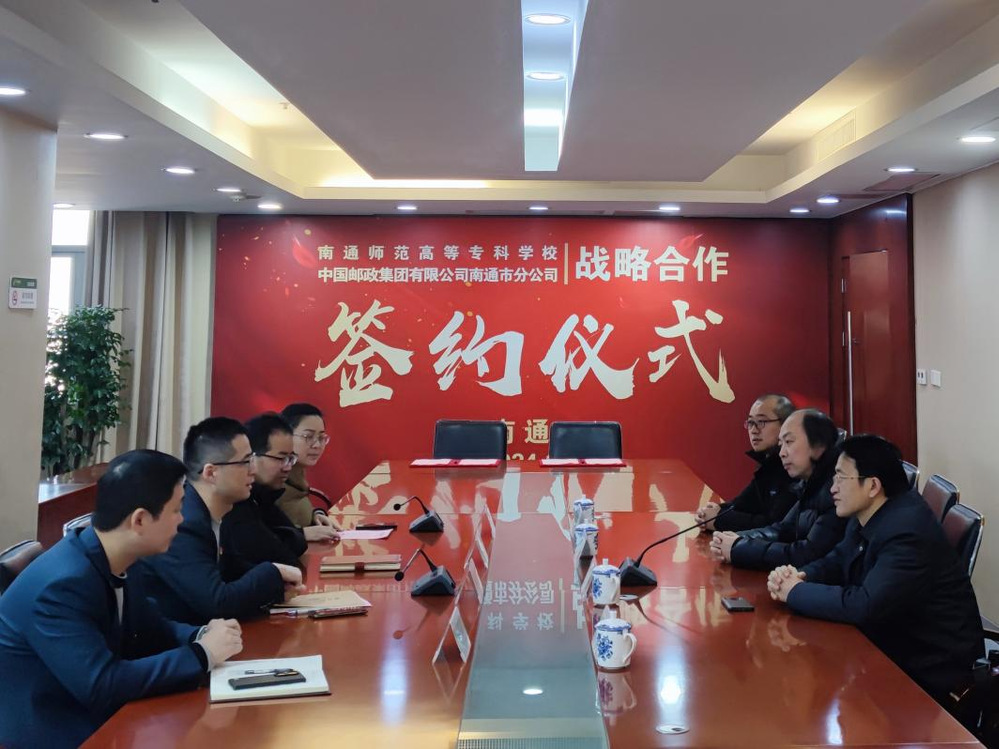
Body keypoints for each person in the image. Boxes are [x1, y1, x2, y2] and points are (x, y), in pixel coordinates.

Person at [0, 450, 244, 749]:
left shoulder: (116, 556)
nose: (182, 520)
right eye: (176, 509)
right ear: (140, 520)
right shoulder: (62, 585)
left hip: (99, 719)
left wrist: (203, 634)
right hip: (58, 731)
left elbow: (151, 628)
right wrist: (201, 654)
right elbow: (102, 684)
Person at [768, 435, 983, 707]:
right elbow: (838, 559)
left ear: (872, 486)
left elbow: (865, 605)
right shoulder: (873, 510)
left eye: (841, 478)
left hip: (928, 670)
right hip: (892, 643)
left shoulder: (907, 531)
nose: (832, 488)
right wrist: (800, 576)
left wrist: (795, 592)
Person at [141, 417, 305, 625]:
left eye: (252, 460)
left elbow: (233, 572)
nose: (253, 470)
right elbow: (218, 603)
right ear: (211, 473)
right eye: (245, 462)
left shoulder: (219, 513)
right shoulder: (182, 523)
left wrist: (278, 585)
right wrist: (273, 572)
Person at [710, 409, 847, 570]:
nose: (782, 453)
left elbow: (805, 554)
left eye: (789, 442)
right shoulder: (809, 484)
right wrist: (735, 539)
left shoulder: (838, 490)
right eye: (781, 445)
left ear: (818, 445)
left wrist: (738, 547)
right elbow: (782, 530)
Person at [220, 413, 336, 581]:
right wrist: (297, 536)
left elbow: (286, 542)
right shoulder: (235, 503)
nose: (287, 467)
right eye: (281, 458)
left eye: (290, 459)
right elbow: (282, 558)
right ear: (251, 457)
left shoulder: (261, 495)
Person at [697, 393, 797, 532]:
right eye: (750, 423)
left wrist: (718, 519)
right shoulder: (768, 464)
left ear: (786, 425)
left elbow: (774, 526)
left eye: (761, 422)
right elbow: (742, 504)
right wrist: (712, 512)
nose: (754, 430)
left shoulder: (793, 468)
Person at [277, 402, 341, 530]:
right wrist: (303, 534)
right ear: (284, 435)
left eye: (321, 437)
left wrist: (315, 515)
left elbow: (298, 513)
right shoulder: (273, 479)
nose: (317, 445)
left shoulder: (297, 474)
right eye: (308, 436)